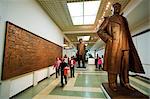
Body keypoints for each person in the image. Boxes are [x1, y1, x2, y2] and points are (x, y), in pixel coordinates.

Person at [96, 3, 145, 91]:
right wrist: (109, 39)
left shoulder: (124, 19)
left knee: (125, 65)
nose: (117, 8)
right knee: (113, 64)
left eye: (119, 7)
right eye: (115, 7)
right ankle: (112, 83)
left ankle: (125, 82)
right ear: (113, 9)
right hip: (115, 45)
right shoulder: (109, 19)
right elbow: (100, 31)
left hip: (125, 44)